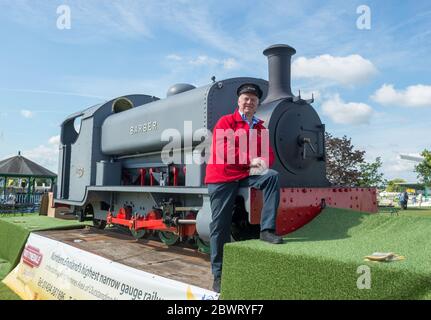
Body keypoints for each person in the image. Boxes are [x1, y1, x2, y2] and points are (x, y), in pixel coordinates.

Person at [205, 83, 283, 293]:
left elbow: (269, 154)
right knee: (220, 225)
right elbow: (225, 150)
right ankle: (218, 274)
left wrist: (263, 164)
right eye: (245, 98)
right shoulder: (226, 122)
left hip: (247, 174)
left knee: (271, 177)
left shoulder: (260, 127)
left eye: (253, 99)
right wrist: (251, 161)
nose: (249, 102)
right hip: (223, 175)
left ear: (257, 104)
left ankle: (266, 230)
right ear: (238, 101)